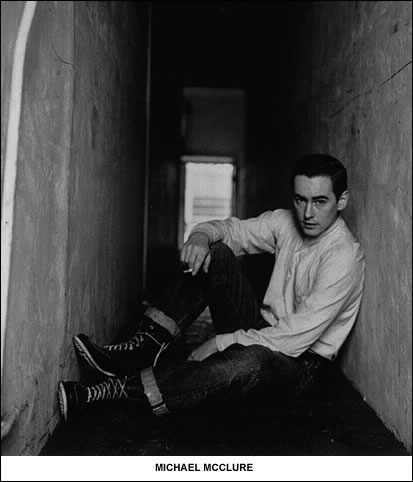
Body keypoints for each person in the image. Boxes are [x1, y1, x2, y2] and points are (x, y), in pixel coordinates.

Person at [58, 154, 365, 422]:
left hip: (302, 367)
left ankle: (120, 389)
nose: (308, 213)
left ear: (342, 200)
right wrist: (200, 237)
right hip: (265, 329)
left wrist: (220, 343)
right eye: (301, 200)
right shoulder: (285, 222)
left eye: (320, 201)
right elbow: (231, 230)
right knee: (215, 254)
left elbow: (292, 340)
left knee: (250, 360)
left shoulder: (343, 257)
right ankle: (141, 350)